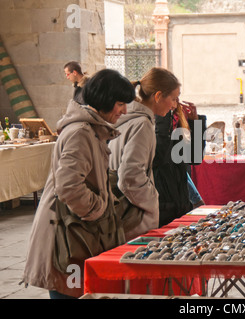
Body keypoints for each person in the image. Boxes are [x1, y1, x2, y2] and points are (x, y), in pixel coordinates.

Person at [22, 69, 136, 299]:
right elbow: (69, 187)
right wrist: (99, 209)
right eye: (120, 103)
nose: (124, 110)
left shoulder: (90, 129)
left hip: (77, 231)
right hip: (68, 233)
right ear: (105, 99)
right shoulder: (81, 132)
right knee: (69, 293)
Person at [109, 67, 181, 241]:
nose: (174, 105)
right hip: (133, 218)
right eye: (172, 98)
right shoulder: (142, 124)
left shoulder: (131, 119)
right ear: (157, 96)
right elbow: (129, 176)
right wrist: (152, 202)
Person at [153, 98, 206, 227]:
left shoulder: (176, 120)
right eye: (173, 98)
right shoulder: (153, 123)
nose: (177, 103)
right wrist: (164, 118)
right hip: (163, 203)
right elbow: (162, 155)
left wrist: (195, 122)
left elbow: (194, 157)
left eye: (178, 97)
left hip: (178, 200)